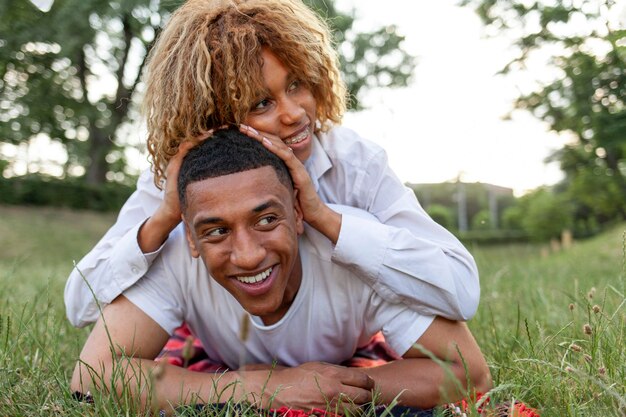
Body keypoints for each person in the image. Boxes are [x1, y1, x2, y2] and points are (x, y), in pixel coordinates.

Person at [65, 0, 479, 329]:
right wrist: (165, 218)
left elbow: (460, 290)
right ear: (215, 116)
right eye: (262, 103)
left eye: (297, 84)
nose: (295, 113)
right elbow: (80, 304)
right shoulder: (175, 181)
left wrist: (327, 220)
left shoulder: (355, 161)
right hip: (231, 346)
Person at [70, 129, 491, 415]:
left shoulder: (360, 250)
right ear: (192, 239)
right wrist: (267, 387)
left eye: (266, 220)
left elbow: (468, 373)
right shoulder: (176, 250)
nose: (249, 255)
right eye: (216, 231)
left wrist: (333, 387)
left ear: (298, 211)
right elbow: (92, 377)